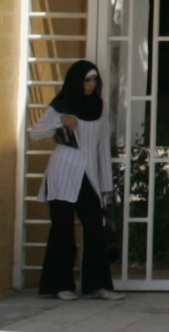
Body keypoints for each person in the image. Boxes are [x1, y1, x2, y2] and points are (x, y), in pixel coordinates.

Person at [29, 59, 117, 300]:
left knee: (94, 227)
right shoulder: (61, 106)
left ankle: (97, 285)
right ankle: (59, 285)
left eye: (94, 80)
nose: (91, 85)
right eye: (86, 80)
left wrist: (105, 185)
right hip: (63, 170)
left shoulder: (99, 107)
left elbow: (102, 147)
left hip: (89, 173)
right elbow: (35, 132)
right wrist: (60, 121)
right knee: (62, 229)